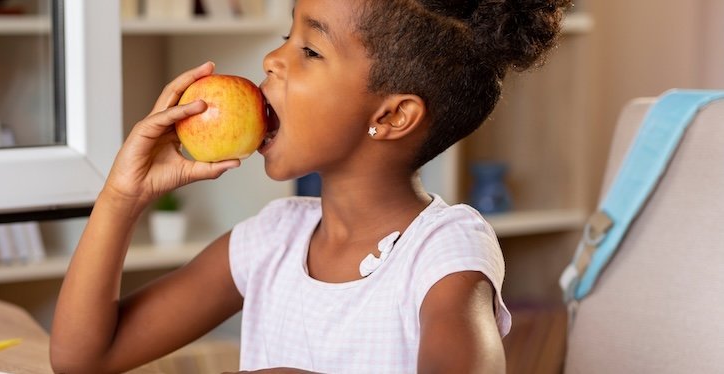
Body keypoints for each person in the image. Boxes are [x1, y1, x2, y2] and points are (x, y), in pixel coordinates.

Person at [50, 0, 569, 372]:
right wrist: (123, 196)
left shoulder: (444, 253)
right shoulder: (272, 239)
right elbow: (83, 357)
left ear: (392, 116)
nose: (273, 60)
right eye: (285, 37)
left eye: (310, 50)